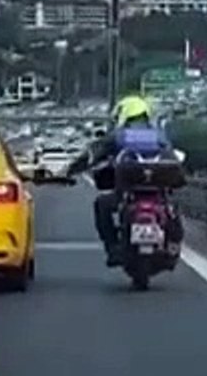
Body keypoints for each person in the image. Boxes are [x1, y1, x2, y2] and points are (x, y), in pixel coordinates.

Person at [68, 94, 179, 266]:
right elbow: (174, 161)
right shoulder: (159, 136)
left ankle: (112, 248)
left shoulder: (119, 136)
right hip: (158, 195)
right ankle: (172, 244)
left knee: (102, 205)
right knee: (172, 210)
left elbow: (92, 155)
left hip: (128, 194)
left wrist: (72, 170)